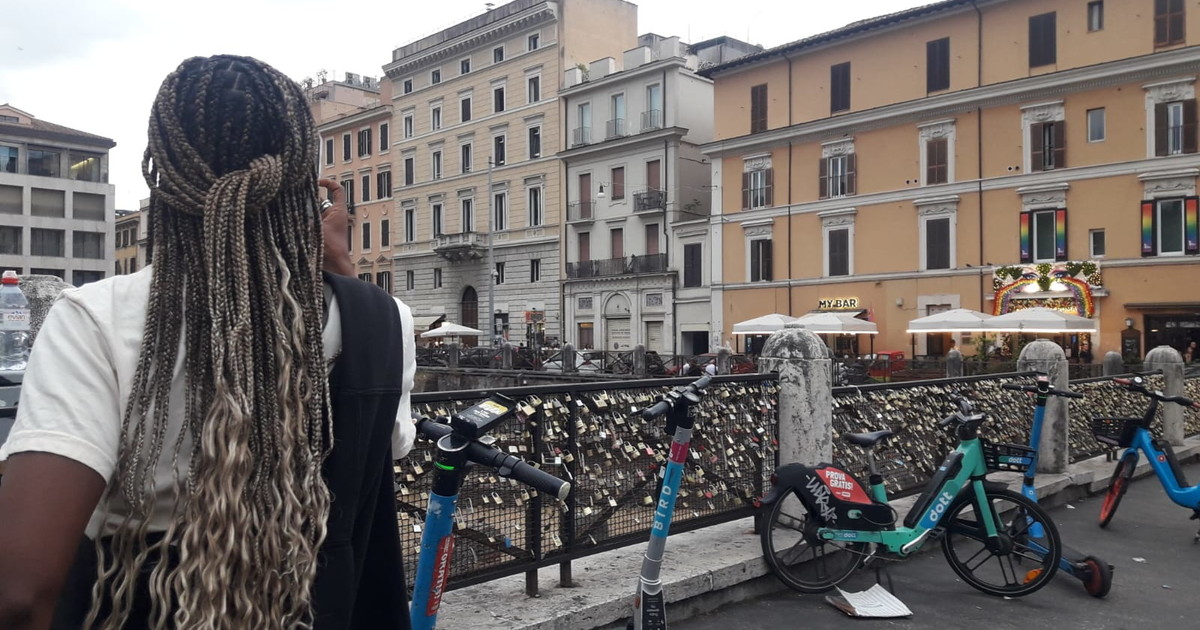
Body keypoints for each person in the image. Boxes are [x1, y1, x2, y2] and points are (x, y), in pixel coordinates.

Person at [0, 55, 415, 630]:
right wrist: (339, 268)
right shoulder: (384, 320)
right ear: (304, 183)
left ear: (165, 176)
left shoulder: (93, 318)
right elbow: (381, 453)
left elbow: (20, 595)